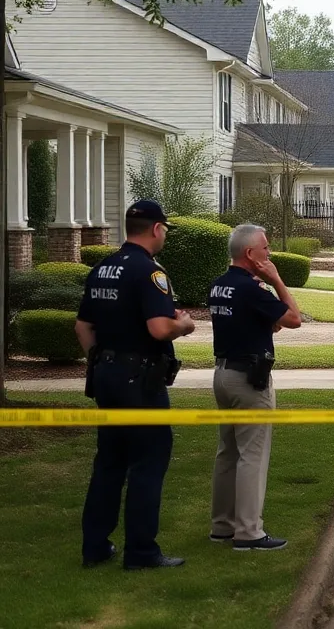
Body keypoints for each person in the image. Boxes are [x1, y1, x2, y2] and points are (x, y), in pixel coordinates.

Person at [76, 199, 196, 570]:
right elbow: (159, 328)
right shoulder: (149, 272)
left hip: (107, 374)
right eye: (165, 231)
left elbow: (82, 327)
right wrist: (185, 325)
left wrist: (102, 360)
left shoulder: (103, 268)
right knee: (148, 461)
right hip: (140, 380)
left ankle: (95, 547)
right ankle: (142, 552)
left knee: (109, 461)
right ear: (157, 229)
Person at [208, 223, 303, 551]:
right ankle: (249, 532)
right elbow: (293, 318)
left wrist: (267, 313)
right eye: (265, 248)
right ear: (250, 254)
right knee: (252, 455)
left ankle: (222, 525)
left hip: (222, 374)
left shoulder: (220, 285)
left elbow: (262, 324)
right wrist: (276, 280)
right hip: (250, 380)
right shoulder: (252, 289)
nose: (270, 253)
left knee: (228, 452)